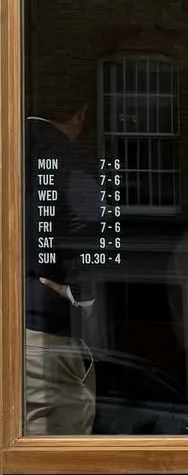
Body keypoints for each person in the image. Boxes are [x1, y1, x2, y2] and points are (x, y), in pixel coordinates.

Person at [24, 105, 98, 434]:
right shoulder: (65, 157)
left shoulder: (11, 145)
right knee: (58, 439)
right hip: (42, 333)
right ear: (80, 114)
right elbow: (91, 224)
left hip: (18, 324)